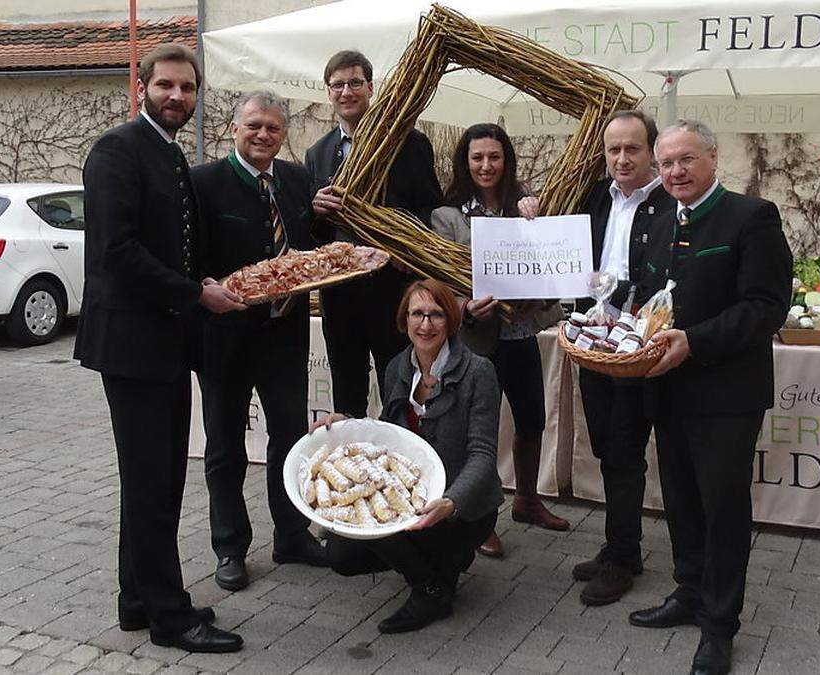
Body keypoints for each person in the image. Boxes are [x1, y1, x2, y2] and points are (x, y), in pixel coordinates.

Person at [75, 43, 246, 653]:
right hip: (132, 346)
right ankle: (171, 618)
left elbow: (173, 243)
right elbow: (117, 254)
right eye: (167, 86)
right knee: (153, 480)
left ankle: (138, 599)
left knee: (158, 477)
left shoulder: (166, 153)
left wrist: (201, 284)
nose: (178, 97)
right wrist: (196, 294)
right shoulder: (116, 152)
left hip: (164, 342)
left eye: (188, 88)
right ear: (141, 85)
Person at [629, 120, 791, 675]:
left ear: (713, 159)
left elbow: (766, 307)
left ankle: (720, 626)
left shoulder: (752, 217)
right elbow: (649, 298)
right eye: (667, 162)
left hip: (726, 394)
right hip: (667, 389)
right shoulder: (657, 223)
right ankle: (690, 591)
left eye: (686, 160)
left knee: (723, 508)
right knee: (679, 499)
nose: (675, 171)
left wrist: (694, 341)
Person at [519, 110, 672, 605]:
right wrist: (534, 214)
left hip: (639, 348)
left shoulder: (672, 204)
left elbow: (665, 282)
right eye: (614, 150)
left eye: (633, 149)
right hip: (593, 345)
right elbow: (559, 247)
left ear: (651, 151)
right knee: (607, 446)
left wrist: (621, 295)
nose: (622, 159)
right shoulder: (593, 199)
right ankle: (616, 546)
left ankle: (625, 556)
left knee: (625, 451)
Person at [191, 91, 328, 593]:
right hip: (224, 338)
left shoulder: (295, 180)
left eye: (273, 127)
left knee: (289, 437)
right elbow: (192, 259)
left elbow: (306, 248)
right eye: (254, 125)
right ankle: (229, 547)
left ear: (284, 134)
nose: (263, 134)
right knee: (225, 447)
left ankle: (291, 535)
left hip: (284, 334)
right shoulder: (203, 182)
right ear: (234, 128)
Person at [312, 280, 502, 634]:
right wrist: (347, 425)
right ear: (404, 320)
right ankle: (441, 560)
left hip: (463, 506)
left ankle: (430, 588)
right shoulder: (398, 366)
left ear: (451, 321)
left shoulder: (478, 372)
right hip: (416, 497)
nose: (425, 325)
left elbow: (483, 455)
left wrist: (451, 502)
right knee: (342, 554)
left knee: (395, 528)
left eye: (436, 315)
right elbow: (388, 437)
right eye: (417, 314)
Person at [430, 123, 568, 559]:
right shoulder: (448, 216)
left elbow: (548, 257)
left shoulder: (525, 205)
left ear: (506, 159)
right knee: (478, 431)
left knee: (531, 419)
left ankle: (526, 500)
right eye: (477, 158)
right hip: (476, 339)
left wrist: (538, 215)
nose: (486, 165)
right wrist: (463, 307)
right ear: (465, 163)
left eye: (494, 156)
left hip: (521, 333)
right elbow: (439, 282)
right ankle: (477, 520)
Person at [306, 49, 444, 419]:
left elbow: (429, 210)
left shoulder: (408, 143)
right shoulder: (317, 154)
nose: (346, 91)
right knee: (346, 396)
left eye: (354, 83)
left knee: (399, 389)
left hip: (392, 291)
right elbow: (317, 234)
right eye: (337, 85)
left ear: (370, 88)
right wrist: (314, 210)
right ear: (328, 92)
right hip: (340, 298)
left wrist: (401, 244)